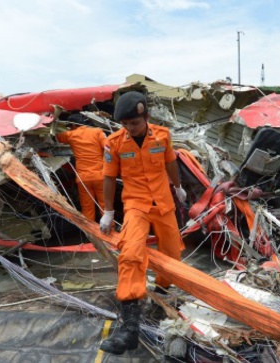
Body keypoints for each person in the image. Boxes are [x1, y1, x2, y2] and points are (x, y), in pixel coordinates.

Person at [99, 91, 186, 355]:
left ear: (146, 116)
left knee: (172, 254)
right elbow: (109, 178)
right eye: (124, 124)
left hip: (163, 203)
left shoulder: (162, 135)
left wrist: (178, 187)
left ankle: (162, 295)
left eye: (134, 124)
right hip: (135, 205)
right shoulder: (113, 143)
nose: (129, 128)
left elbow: (170, 162)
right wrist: (108, 211)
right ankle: (130, 328)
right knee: (130, 255)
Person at [56, 114, 106, 221]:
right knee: (105, 207)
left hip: (83, 179)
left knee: (87, 208)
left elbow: (57, 137)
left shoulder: (70, 134)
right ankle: (109, 232)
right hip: (101, 176)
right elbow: (108, 146)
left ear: (73, 125)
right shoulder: (97, 131)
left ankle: (91, 234)